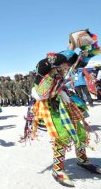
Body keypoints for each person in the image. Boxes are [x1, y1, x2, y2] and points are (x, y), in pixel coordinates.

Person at [27, 50, 100, 187]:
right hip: (50, 107)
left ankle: (82, 160)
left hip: (64, 103)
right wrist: (56, 62)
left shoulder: (62, 70)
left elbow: (77, 64)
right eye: (66, 64)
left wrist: (87, 54)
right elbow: (42, 91)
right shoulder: (45, 68)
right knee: (62, 136)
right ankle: (58, 170)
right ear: (60, 62)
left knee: (81, 132)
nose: (68, 68)